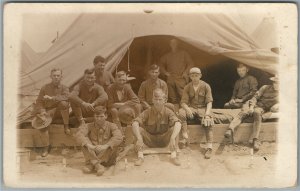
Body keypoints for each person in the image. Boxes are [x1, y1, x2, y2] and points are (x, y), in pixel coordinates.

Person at [224, 75, 279, 151]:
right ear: (273, 82)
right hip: (252, 104)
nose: (276, 84)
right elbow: (255, 98)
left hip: (261, 108)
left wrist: (279, 104)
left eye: (278, 83)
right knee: (244, 112)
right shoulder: (265, 87)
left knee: (257, 113)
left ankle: (255, 139)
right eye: (275, 82)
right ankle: (230, 129)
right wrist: (251, 107)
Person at [132, 88, 182, 166]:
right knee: (139, 129)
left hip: (164, 139)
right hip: (150, 140)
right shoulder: (147, 112)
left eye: (160, 99)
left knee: (175, 128)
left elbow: (178, 123)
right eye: (156, 99)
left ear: (164, 100)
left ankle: (174, 156)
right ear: (152, 100)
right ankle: (140, 156)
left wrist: (172, 138)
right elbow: (135, 123)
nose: (158, 102)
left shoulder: (168, 112)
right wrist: (139, 138)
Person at [32, 68, 70, 157]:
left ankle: (66, 126)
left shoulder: (65, 87)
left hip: (61, 112)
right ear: (51, 77)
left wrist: (52, 98)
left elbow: (66, 97)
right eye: (54, 76)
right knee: (41, 124)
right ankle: (46, 147)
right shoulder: (45, 88)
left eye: (58, 76)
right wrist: (42, 112)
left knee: (63, 103)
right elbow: (39, 101)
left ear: (61, 77)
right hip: (49, 111)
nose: (56, 77)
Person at [75, 106, 123, 176]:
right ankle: (98, 166)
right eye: (97, 116)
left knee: (113, 142)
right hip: (93, 151)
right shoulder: (88, 126)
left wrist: (105, 146)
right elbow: (78, 135)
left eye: (101, 116)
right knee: (84, 141)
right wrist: (90, 146)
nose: (99, 119)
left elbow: (119, 137)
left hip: (107, 156)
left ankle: (92, 163)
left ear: (106, 116)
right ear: (94, 116)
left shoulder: (112, 125)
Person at [178, 67, 214, 159]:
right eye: (192, 76)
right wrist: (188, 109)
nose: (194, 78)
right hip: (192, 108)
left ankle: (209, 147)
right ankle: (184, 135)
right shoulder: (187, 87)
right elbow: (183, 102)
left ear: (200, 76)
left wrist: (207, 114)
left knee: (208, 121)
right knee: (181, 113)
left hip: (203, 109)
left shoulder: (206, 86)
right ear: (190, 76)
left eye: (196, 76)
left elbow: (209, 102)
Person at [159, 38, 194, 104]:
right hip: (171, 78)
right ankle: (175, 112)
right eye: (172, 43)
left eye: (175, 43)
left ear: (178, 44)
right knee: (172, 98)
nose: (173, 44)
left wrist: (185, 72)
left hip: (181, 78)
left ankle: (186, 112)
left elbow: (191, 63)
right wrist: (165, 72)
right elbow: (160, 64)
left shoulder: (184, 53)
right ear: (170, 44)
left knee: (183, 96)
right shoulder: (167, 55)